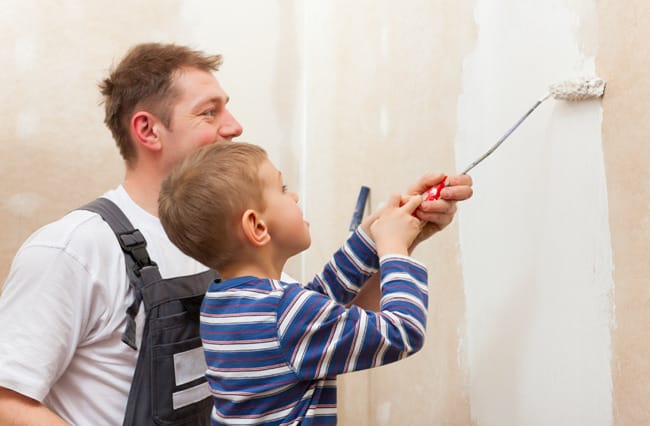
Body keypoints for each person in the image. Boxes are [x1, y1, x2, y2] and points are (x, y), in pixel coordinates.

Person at [0, 42, 472, 425]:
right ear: (148, 130)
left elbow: (320, 308)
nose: (235, 125)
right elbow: (7, 400)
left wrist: (394, 236)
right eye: (209, 112)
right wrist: (389, 250)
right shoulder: (73, 248)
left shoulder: (229, 243)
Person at [158, 142, 431, 425]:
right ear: (258, 227)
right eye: (283, 189)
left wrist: (374, 233)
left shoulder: (222, 304)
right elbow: (402, 332)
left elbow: (320, 299)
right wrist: (394, 247)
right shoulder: (285, 313)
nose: (295, 196)